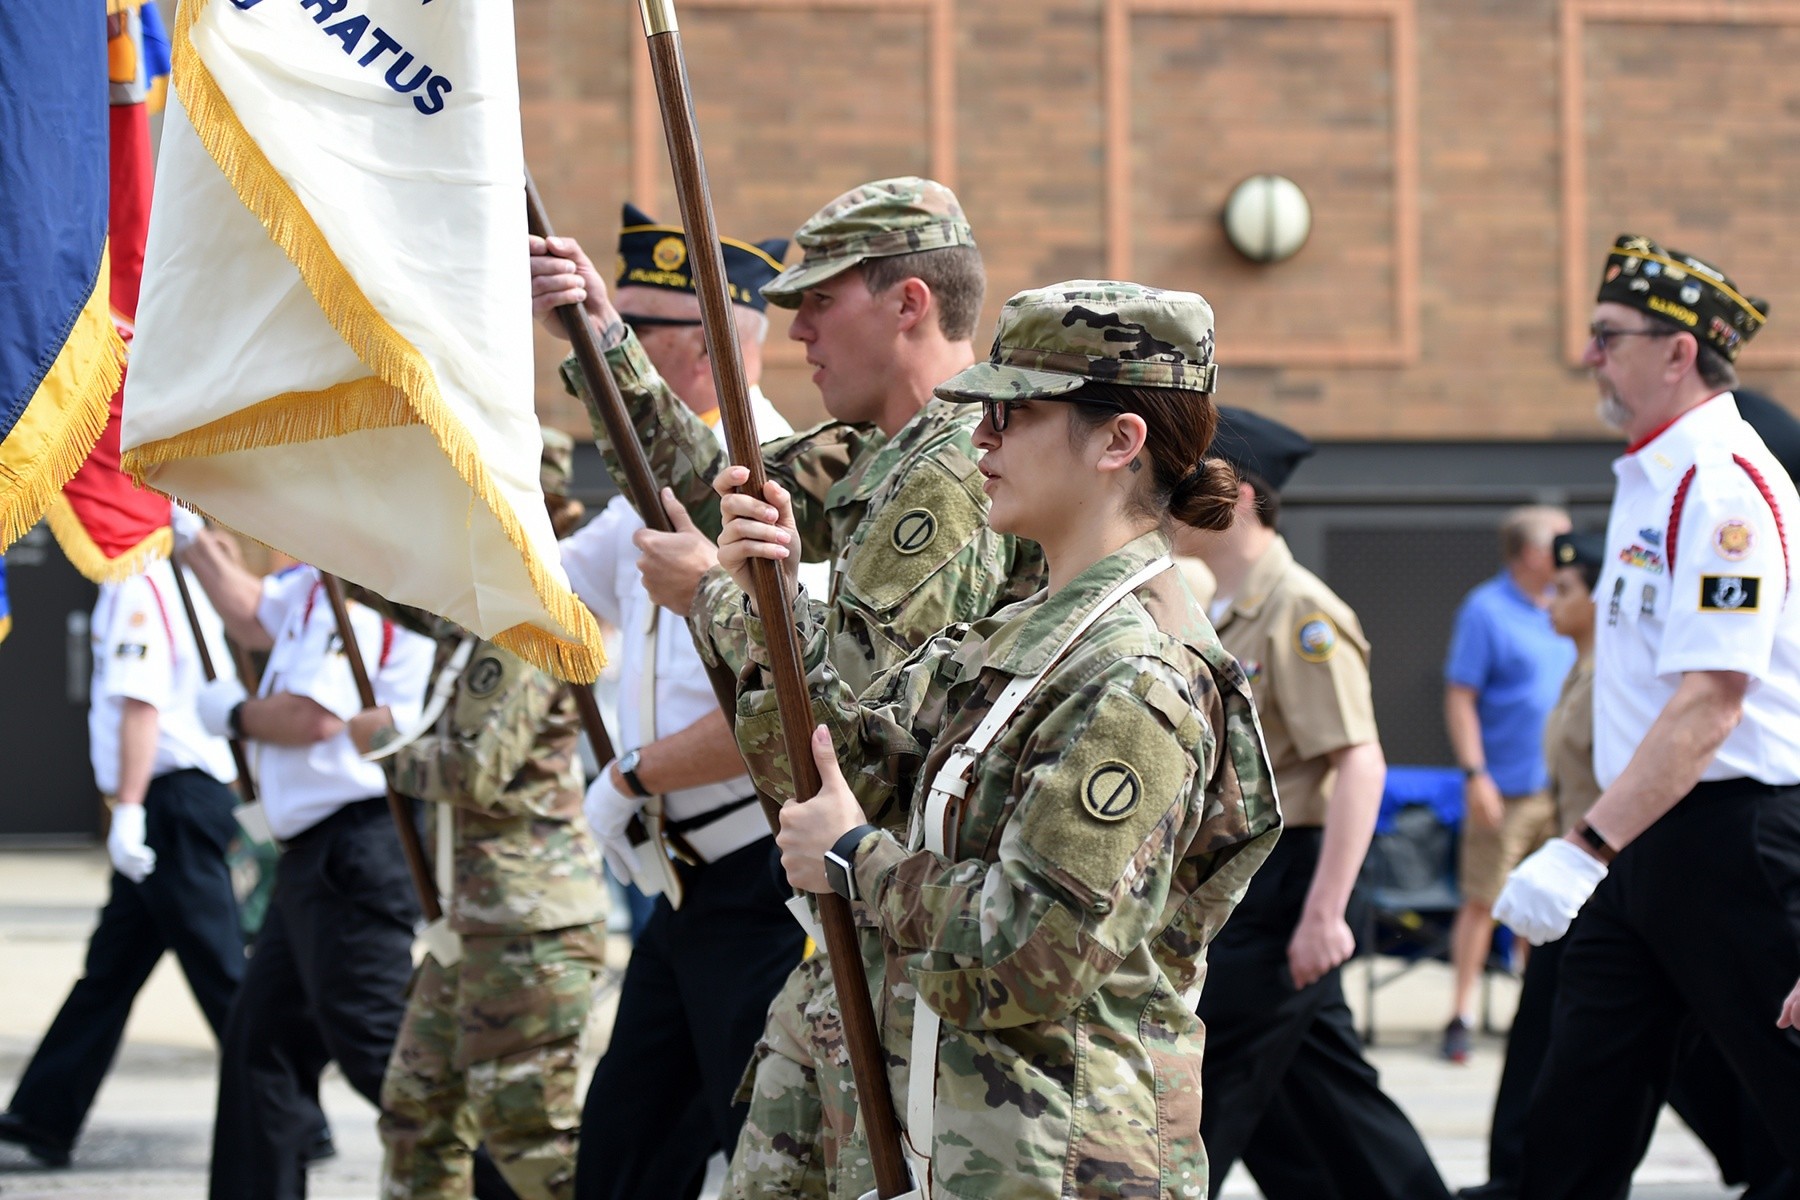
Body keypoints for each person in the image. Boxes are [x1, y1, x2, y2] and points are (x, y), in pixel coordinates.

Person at [531, 176, 1045, 1200]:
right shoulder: (881, 453)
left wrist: (704, 599)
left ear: (909, 303)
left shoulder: (947, 473)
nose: (795, 326)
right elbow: (693, 473)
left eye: (822, 299)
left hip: (905, 910)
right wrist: (598, 336)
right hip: (845, 906)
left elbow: (850, 707)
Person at [716, 279, 1280, 1200]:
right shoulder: (1028, 637)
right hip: (963, 1146)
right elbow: (837, 761)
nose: (977, 440)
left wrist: (858, 859)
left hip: (1058, 1165)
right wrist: (761, 596)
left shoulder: (1136, 676)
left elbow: (1026, 950)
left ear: (1119, 440)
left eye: (1012, 414)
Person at [1495, 234, 1800, 1199]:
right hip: (1651, 841)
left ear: (1678, 352)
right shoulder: (1654, 477)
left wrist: (1585, 845)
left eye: (1608, 335)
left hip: (1730, 836)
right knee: (1572, 1117)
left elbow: (1712, 703)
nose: (1591, 355)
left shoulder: (1721, 487)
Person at [553, 211, 811, 1200]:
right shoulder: (644, 494)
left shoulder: (780, 486)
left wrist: (633, 773)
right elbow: (540, 588)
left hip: (760, 879)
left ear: (697, 349)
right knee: (623, 1151)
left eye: (628, 335)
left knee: (766, 1156)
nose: (601, 350)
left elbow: (790, 708)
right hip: (680, 879)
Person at [1182, 408, 1450, 1200]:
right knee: (1311, 1101)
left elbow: (1360, 761)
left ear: (1239, 495)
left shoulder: (1299, 610)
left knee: (1207, 1086)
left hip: (1293, 879)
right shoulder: (1222, 609)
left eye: (1188, 481)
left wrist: (1325, 912)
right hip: (1252, 885)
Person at [346, 432, 609, 1200]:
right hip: (475, 925)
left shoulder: (530, 622)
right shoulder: (483, 612)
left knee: (534, 1148)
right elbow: (398, 589)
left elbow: (473, 773)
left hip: (527, 930)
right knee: (418, 1113)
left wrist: (384, 744)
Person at [178, 532, 435, 1200]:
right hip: (313, 856)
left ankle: (496, 1179)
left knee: (375, 1046)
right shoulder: (314, 582)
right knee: (260, 1043)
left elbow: (312, 719)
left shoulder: (365, 591)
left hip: (355, 848)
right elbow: (247, 612)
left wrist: (232, 714)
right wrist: (184, 536)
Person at [0, 552, 241, 1168]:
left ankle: (293, 1111)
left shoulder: (137, 580)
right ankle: (42, 1116)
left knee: (220, 971)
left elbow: (141, 704)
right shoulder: (165, 574)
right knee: (110, 972)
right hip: (172, 798)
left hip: (170, 802)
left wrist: (128, 808)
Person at [1441, 505, 1574, 1062]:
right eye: (1561, 544)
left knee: (1553, 903)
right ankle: (1461, 1014)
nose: (1574, 554)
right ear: (1531, 554)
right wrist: (1477, 775)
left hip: (1565, 791)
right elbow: (1460, 695)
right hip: (1508, 786)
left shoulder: (1571, 605)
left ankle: (1538, 1012)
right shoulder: (1487, 610)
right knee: (1484, 899)